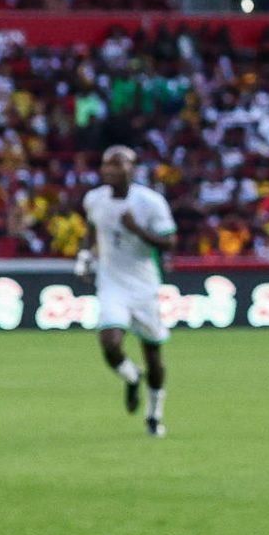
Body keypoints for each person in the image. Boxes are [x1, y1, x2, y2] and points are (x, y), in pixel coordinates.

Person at [80, 145, 176, 435]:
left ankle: (154, 415)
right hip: (111, 283)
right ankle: (132, 377)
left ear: (132, 169)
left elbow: (169, 243)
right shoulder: (94, 199)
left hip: (143, 285)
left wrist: (137, 230)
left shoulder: (150, 202)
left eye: (117, 165)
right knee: (109, 342)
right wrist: (85, 257)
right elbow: (91, 229)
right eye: (106, 164)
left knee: (153, 353)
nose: (109, 170)